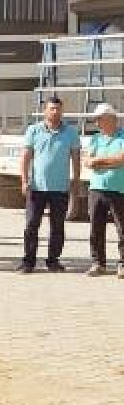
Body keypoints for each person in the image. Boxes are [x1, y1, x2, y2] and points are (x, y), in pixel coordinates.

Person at [17, 96, 80, 274]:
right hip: (36, 187)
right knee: (31, 225)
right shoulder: (34, 130)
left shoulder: (70, 132)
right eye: (52, 108)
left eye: (58, 109)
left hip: (60, 188)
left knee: (57, 227)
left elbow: (76, 158)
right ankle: (28, 261)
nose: (55, 112)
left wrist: (75, 181)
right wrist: (24, 180)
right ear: (45, 111)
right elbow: (25, 157)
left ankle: (53, 261)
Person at [84, 103, 124, 279]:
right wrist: (103, 162)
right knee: (96, 228)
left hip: (119, 189)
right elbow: (87, 161)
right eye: (97, 120)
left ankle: (122, 264)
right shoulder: (95, 139)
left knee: (122, 228)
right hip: (97, 189)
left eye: (100, 119)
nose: (97, 123)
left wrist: (98, 161)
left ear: (112, 119)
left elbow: (121, 160)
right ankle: (98, 263)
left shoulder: (122, 137)